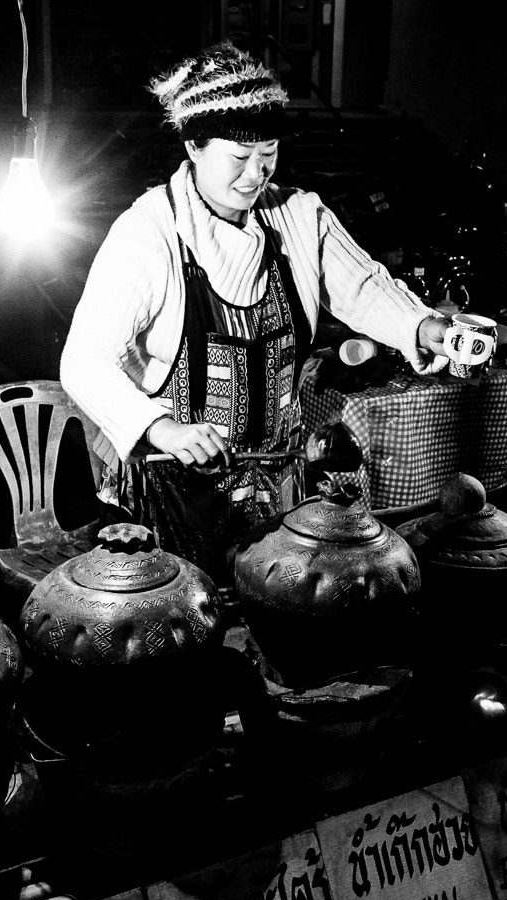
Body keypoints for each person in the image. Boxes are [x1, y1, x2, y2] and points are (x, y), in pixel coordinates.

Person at [60, 43, 453, 582]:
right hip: (172, 485)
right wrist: (161, 427)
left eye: (267, 154)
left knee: (271, 608)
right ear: (195, 147)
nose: (255, 174)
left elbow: (362, 286)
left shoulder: (296, 215)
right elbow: (83, 360)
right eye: (239, 158)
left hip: (275, 478)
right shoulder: (149, 233)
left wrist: (422, 325)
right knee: (181, 623)